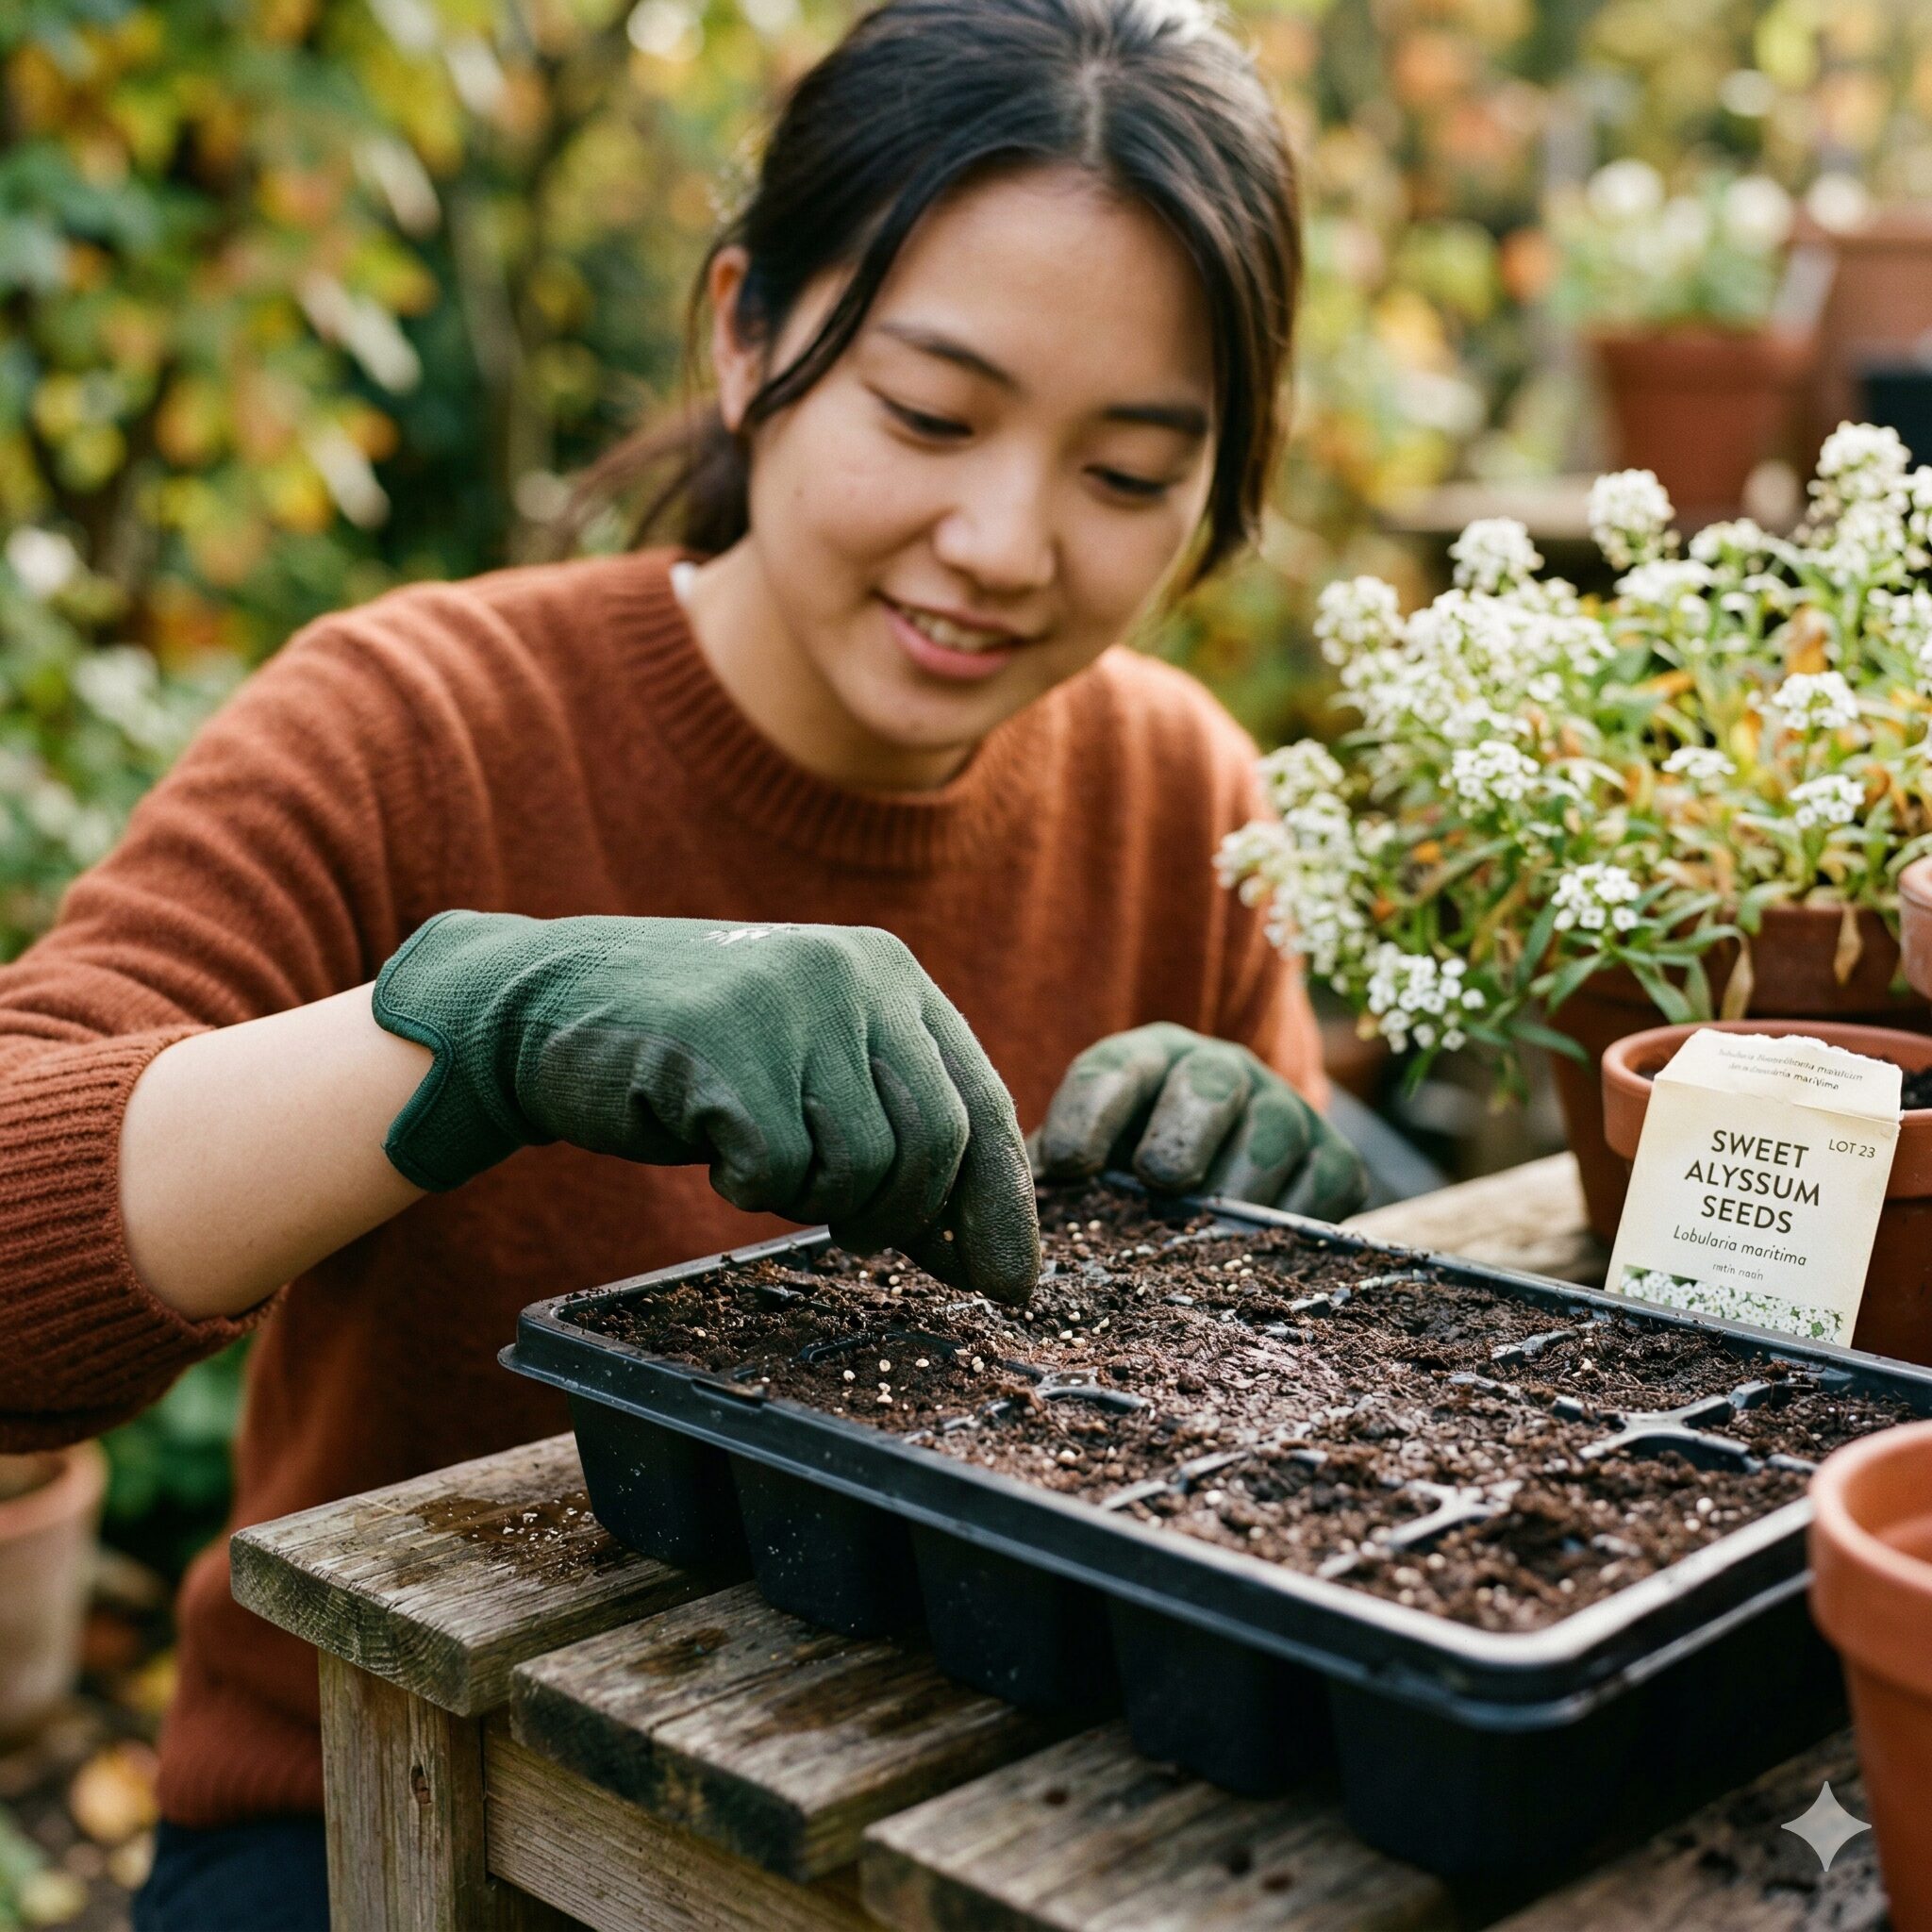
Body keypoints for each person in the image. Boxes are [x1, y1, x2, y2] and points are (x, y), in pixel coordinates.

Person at [0, 1, 1367, 1924]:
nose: (1003, 541)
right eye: (928, 414)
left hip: (993, 1816)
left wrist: (1282, 1224)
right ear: (745, 331)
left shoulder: (1180, 793)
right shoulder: (411, 723)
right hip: (402, 1811)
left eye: (1129, 475)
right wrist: (473, 1033)